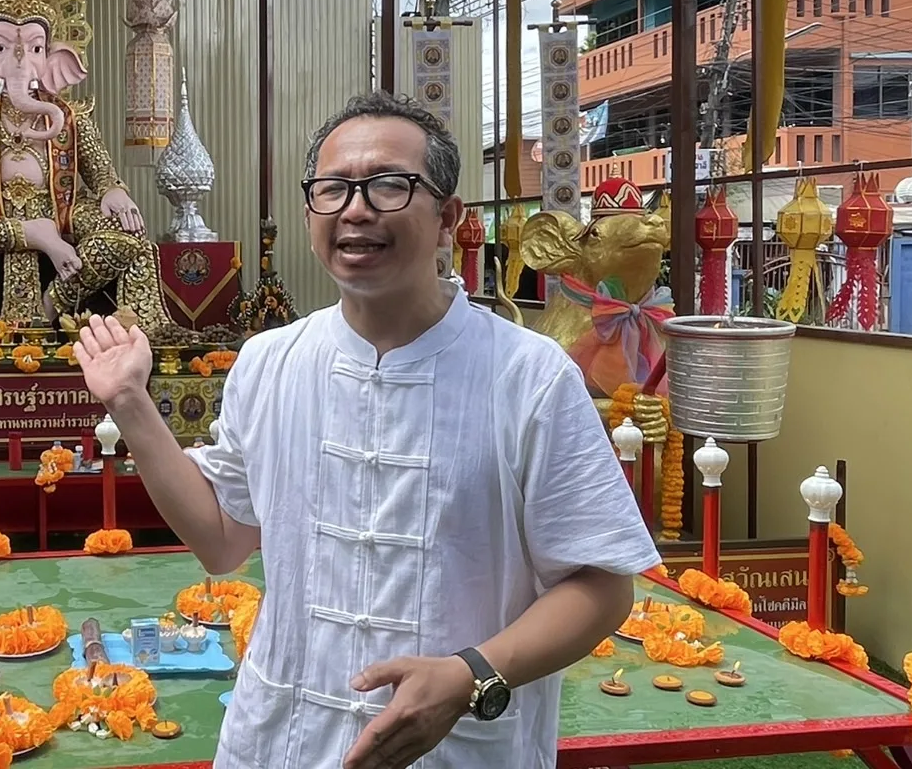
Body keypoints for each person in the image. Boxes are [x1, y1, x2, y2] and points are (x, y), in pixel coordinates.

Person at [75, 91, 658, 769]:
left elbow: (603, 585)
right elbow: (221, 539)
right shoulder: (270, 362)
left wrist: (471, 673)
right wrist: (130, 402)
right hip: (283, 741)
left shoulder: (529, 376)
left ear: (447, 220)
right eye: (333, 189)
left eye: (388, 185)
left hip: (457, 751)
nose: (355, 209)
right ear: (310, 214)